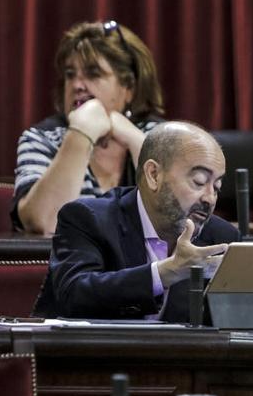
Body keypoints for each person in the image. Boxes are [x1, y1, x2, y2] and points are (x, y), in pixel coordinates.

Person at [32, 121, 239, 321]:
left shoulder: (221, 238)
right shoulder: (88, 219)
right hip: (96, 354)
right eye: (199, 182)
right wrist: (165, 273)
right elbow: (73, 295)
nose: (210, 198)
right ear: (154, 175)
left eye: (217, 187)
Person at [13, 20, 165, 234]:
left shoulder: (158, 135)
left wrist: (134, 139)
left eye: (93, 74)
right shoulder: (42, 138)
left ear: (128, 87)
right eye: (70, 74)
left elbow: (179, 218)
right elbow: (44, 223)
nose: (77, 85)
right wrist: (81, 134)